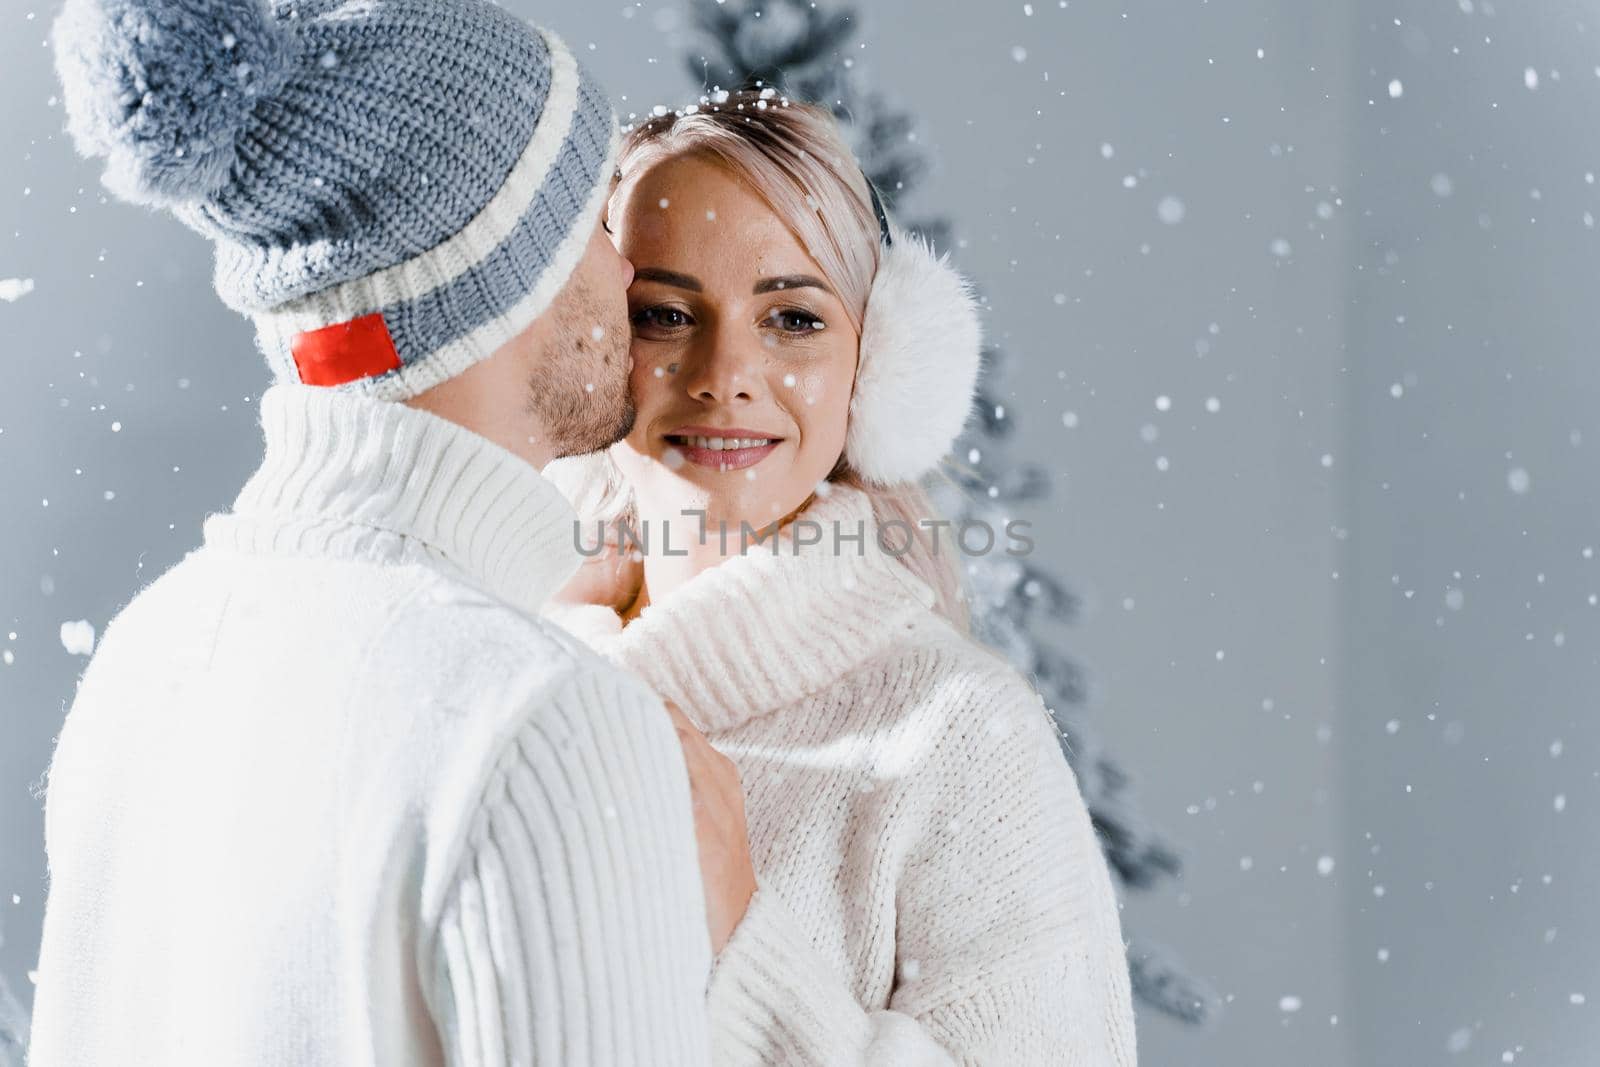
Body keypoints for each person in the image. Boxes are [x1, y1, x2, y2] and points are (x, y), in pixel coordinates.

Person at [31, 1, 712, 1063]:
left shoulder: (146, 659)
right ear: (505, 273)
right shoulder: (541, 723)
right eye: (587, 223)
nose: (626, 273)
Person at [541, 91, 1140, 1064]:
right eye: (661, 312)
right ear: (591, 341)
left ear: (877, 360)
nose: (726, 369)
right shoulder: (501, 672)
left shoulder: (961, 738)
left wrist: (741, 934)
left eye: (790, 317)